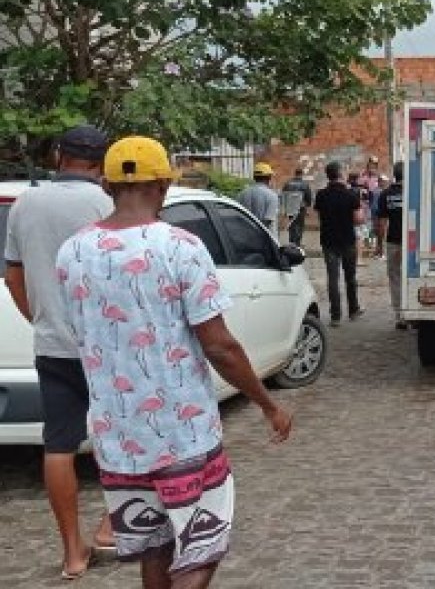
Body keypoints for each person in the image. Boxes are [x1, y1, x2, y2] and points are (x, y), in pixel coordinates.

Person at [56, 135, 293, 588]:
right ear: (163, 184)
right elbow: (219, 345)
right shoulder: (181, 247)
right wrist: (267, 403)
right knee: (202, 544)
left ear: (106, 185)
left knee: (157, 545)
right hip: (183, 436)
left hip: (119, 437)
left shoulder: (73, 252)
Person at [3, 125, 116, 579]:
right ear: (101, 163)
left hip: (51, 346)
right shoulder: (105, 206)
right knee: (122, 437)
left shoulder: (25, 203)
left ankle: (72, 553)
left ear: (57, 156)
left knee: (59, 445)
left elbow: (14, 275)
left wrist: (41, 318)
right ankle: (112, 524)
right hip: (105, 345)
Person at [314, 162, 363, 326]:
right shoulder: (351, 195)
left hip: (328, 241)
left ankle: (335, 315)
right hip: (348, 240)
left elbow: (320, 217)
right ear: (341, 174)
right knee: (350, 277)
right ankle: (353, 309)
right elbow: (358, 220)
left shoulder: (321, 195)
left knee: (333, 279)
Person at [374, 163, 406, 329]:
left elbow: (382, 223)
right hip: (412, 243)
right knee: (412, 276)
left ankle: (400, 315)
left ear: (394, 175)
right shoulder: (414, 191)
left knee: (395, 276)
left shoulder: (386, 194)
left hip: (393, 241)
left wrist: (379, 244)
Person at [236, 163, 280, 236]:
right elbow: (267, 220)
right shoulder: (272, 196)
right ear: (269, 177)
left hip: (246, 237)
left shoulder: (242, 194)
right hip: (265, 239)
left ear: (254, 177)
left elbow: (238, 217)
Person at [280, 168, 312, 247]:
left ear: (295, 173)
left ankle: (292, 241)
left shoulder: (287, 183)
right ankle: (298, 242)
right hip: (301, 207)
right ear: (302, 174)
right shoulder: (305, 184)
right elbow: (308, 196)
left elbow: (283, 195)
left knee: (292, 224)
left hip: (291, 207)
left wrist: (285, 208)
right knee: (300, 225)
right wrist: (307, 205)